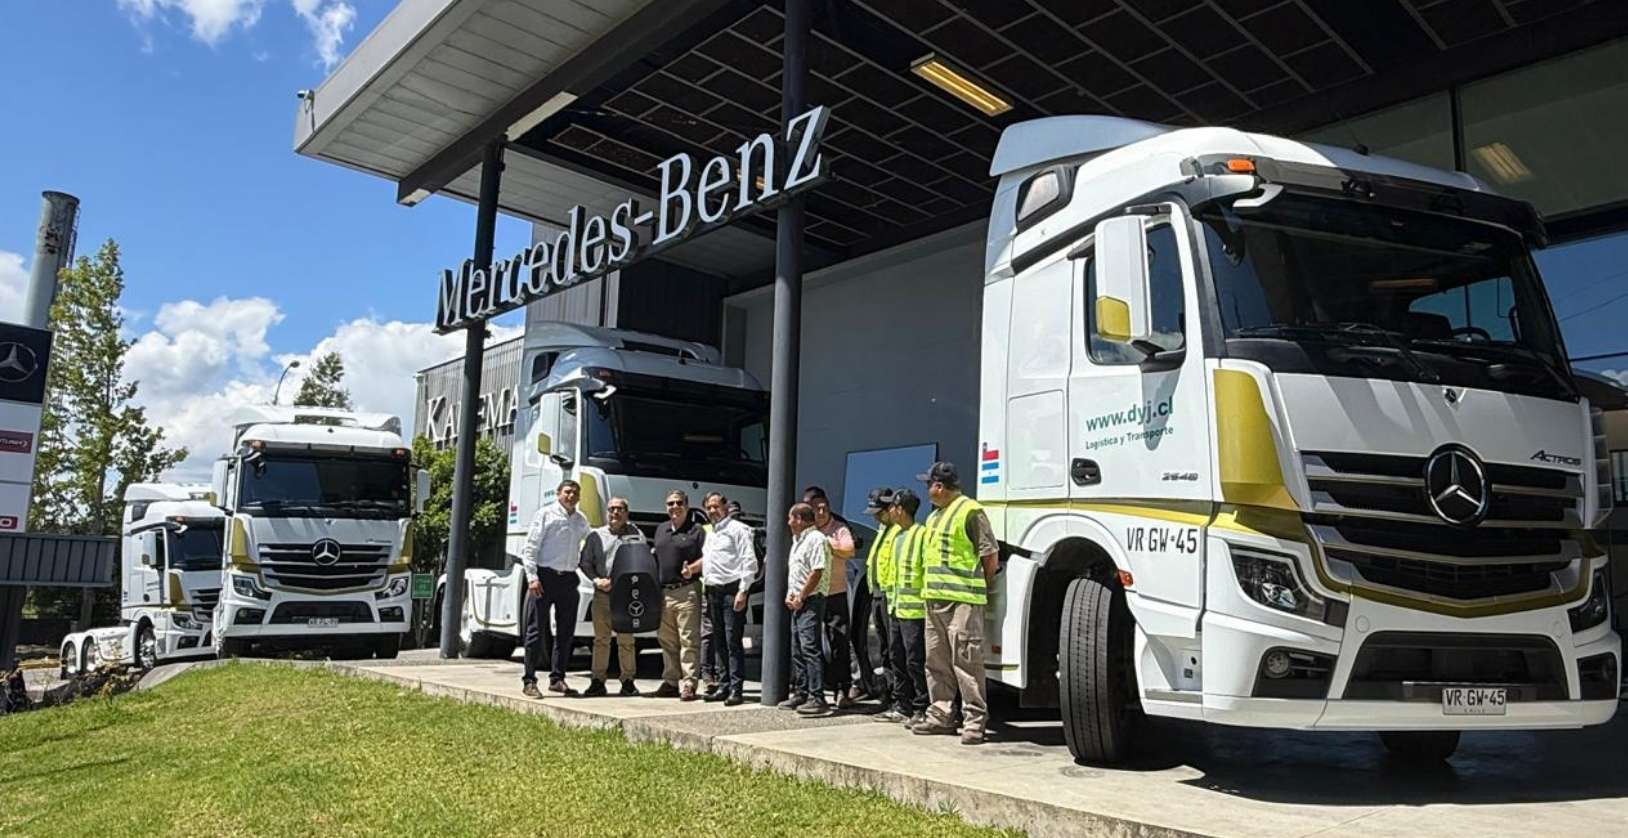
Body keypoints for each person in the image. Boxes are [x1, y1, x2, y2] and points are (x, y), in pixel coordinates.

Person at [912, 462, 999, 745]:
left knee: (967, 662)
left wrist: (981, 586)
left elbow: (989, 555)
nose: (926, 490)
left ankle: (974, 721)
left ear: (939, 486)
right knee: (936, 660)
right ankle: (941, 714)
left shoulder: (970, 511)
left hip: (962, 600)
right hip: (934, 599)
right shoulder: (934, 517)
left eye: (929, 484)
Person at [520, 478, 591, 699]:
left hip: (568, 579)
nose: (571, 496)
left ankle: (557, 678)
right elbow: (530, 548)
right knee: (535, 631)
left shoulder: (581, 521)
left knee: (566, 633)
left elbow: (590, 546)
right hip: (544, 577)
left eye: (575, 493)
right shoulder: (545, 514)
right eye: (567, 492)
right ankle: (529, 680)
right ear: (558, 493)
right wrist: (532, 578)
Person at [578, 495, 645, 697]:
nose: (615, 513)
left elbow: (642, 560)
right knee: (601, 640)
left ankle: (628, 681)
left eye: (620, 509)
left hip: (626, 595)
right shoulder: (595, 536)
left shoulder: (636, 534)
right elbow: (585, 563)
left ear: (627, 513)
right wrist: (596, 580)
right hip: (602, 594)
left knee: (626, 640)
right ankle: (598, 681)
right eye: (611, 509)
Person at [877, 488, 928, 726]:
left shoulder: (920, 534)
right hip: (895, 606)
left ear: (902, 510)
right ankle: (902, 705)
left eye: (895, 507)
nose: (891, 511)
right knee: (897, 657)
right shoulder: (895, 535)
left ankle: (922, 706)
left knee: (915, 660)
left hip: (915, 610)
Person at [700, 491, 757, 706]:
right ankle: (723, 686)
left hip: (732, 591)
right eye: (709, 507)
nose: (712, 510)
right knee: (719, 641)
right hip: (713, 590)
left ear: (725, 507)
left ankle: (736, 688)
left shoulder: (738, 530)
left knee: (733, 641)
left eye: (716, 506)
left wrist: (743, 591)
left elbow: (749, 561)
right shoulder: (711, 533)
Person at [802, 487, 854, 707]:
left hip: (835, 592)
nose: (822, 512)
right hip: (811, 594)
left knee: (838, 641)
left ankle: (842, 689)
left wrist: (828, 544)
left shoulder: (839, 528)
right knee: (808, 643)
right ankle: (809, 689)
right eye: (817, 509)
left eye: (825, 507)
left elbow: (848, 550)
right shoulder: (806, 530)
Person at [652, 489, 705, 700]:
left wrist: (692, 568)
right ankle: (671, 681)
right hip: (664, 593)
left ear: (687, 505)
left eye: (679, 503)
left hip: (687, 591)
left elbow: (708, 557)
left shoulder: (697, 530)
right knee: (667, 640)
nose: (675, 507)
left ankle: (689, 684)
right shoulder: (661, 529)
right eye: (670, 503)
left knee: (688, 640)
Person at [782, 501, 832, 716]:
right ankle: (801, 691)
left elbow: (816, 571)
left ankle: (817, 697)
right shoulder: (798, 540)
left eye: (791, 518)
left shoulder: (816, 539)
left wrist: (801, 596)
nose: (789, 523)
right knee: (797, 648)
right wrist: (791, 594)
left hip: (811, 600)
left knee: (810, 647)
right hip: (798, 600)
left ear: (800, 519)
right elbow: (797, 571)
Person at [857, 487, 899, 704]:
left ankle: (898, 696)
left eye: (878, 512)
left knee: (893, 648)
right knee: (883, 647)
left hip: (890, 596)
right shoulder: (883, 529)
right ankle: (887, 691)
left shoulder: (899, 530)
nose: (874, 517)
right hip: (877, 594)